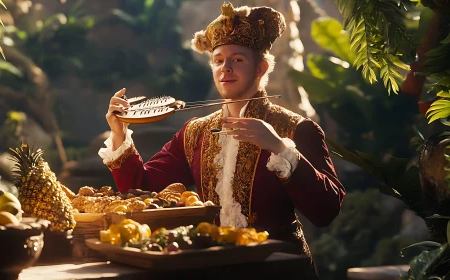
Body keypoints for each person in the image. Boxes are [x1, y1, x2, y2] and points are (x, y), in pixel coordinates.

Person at [99, 2, 345, 277]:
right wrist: (119, 132)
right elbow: (142, 187)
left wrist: (279, 147)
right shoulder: (195, 132)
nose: (225, 68)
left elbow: (327, 210)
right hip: (213, 268)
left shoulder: (296, 129)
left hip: (280, 269)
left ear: (261, 68)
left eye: (237, 59)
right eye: (218, 60)